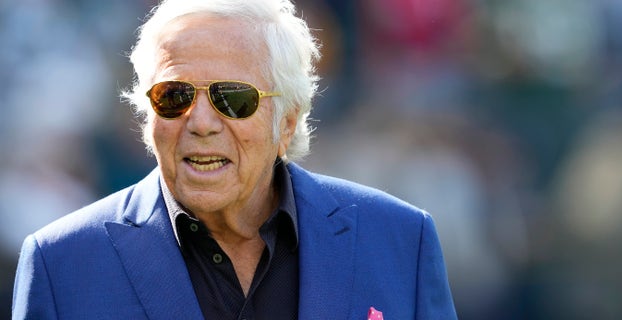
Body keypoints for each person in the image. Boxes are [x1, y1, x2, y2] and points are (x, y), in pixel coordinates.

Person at [12, 0, 457, 319]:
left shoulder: (400, 241)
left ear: (287, 122)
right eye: (174, 95)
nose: (200, 122)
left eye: (233, 98)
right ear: (148, 116)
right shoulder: (60, 264)